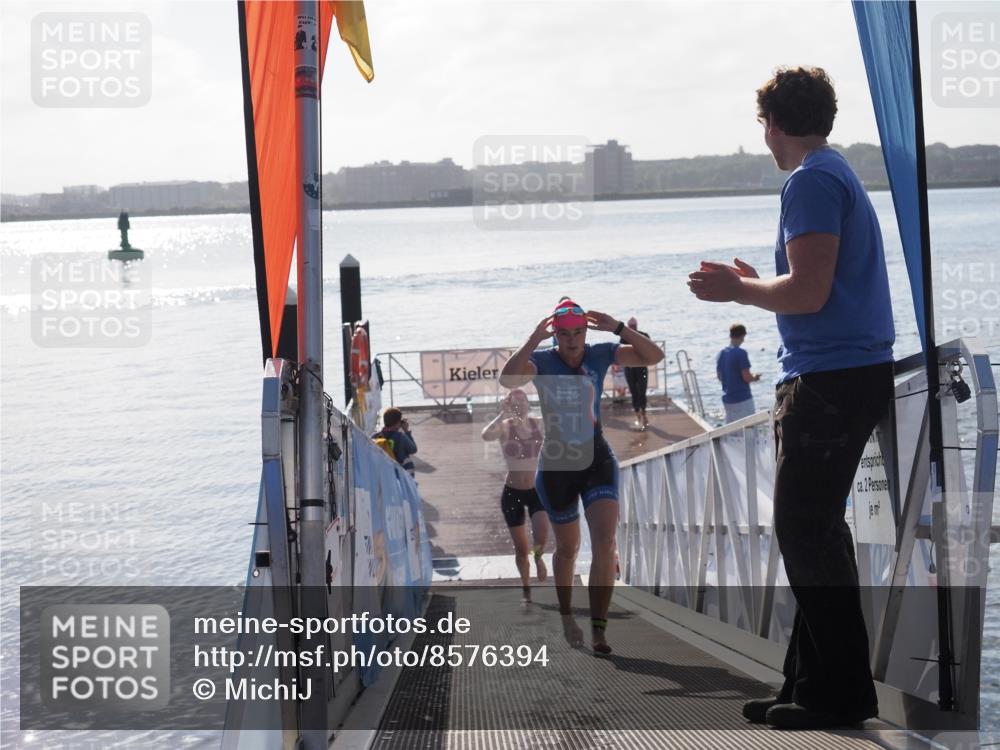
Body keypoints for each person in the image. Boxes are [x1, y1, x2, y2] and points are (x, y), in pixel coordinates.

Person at [687, 67, 894, 730]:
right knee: (813, 533)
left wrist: (737, 292)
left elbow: (808, 294)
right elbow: (812, 286)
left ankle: (840, 694)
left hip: (831, 381)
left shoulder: (809, 181)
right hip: (844, 373)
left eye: (764, 128)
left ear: (773, 123)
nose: (765, 140)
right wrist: (758, 282)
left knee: (806, 532)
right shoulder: (835, 173)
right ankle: (807, 683)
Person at [500, 298, 664, 654]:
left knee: (605, 540)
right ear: (554, 335)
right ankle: (566, 616)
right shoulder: (542, 361)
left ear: (586, 331)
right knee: (569, 548)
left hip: (596, 457)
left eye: (578, 332)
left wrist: (619, 327)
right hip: (558, 465)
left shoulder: (601, 352)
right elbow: (507, 378)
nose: (572, 340)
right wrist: (532, 338)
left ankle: (599, 629)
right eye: (564, 334)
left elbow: (653, 357)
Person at [481, 389, 550, 604]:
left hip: (536, 491)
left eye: (523, 401)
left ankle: (538, 557)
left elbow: (559, 422)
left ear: (529, 403)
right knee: (521, 549)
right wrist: (503, 413)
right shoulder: (504, 426)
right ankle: (526, 587)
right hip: (512, 492)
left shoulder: (539, 423)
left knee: (541, 536)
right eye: (515, 402)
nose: (520, 405)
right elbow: (485, 435)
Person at [716, 323, 761, 423]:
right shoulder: (741, 353)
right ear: (742, 336)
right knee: (749, 428)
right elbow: (746, 377)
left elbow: (719, 377)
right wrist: (755, 377)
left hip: (728, 399)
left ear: (730, 335)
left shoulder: (722, 353)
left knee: (732, 431)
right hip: (742, 398)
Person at [372, 407, 418, 478]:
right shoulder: (400, 436)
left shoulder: (375, 436)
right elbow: (413, 449)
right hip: (400, 475)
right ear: (397, 423)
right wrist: (406, 431)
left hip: (383, 474)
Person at [622, 317, 650, 430]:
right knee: (634, 392)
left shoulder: (644, 336)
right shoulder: (624, 338)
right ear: (628, 327)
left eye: (634, 326)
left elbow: (650, 350)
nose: (632, 328)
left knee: (642, 391)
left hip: (642, 368)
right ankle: (638, 415)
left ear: (636, 326)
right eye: (631, 326)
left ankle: (643, 413)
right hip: (629, 368)